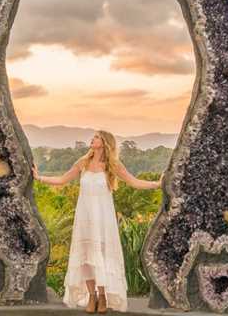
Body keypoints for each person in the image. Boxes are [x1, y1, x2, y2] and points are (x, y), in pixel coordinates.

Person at [32, 130, 163, 313]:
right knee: (86, 258)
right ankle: (91, 296)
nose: (92, 139)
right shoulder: (82, 162)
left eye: (96, 137)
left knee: (101, 255)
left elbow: (134, 182)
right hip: (84, 218)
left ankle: (103, 296)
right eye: (93, 137)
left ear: (104, 142)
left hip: (103, 219)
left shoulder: (112, 165)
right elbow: (62, 179)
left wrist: (157, 184)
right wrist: (40, 178)